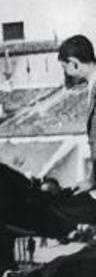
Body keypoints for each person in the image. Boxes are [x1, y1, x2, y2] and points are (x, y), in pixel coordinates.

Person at [58, 35, 96, 194]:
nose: (66, 74)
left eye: (64, 68)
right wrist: (92, 180)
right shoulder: (92, 86)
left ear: (74, 63)